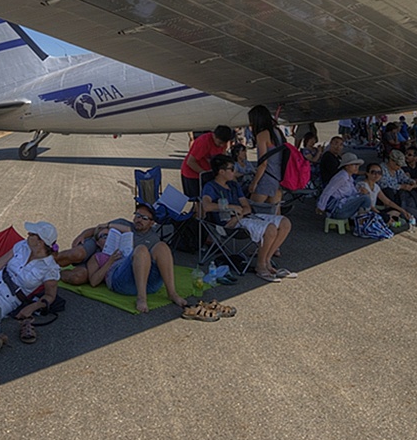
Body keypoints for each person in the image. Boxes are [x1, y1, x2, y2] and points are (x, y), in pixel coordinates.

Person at [201, 154, 291, 282]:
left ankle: (267, 260)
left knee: (285, 222)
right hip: (227, 224)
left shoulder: (234, 185)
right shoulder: (210, 187)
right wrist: (231, 207)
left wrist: (239, 215)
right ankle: (261, 266)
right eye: (231, 169)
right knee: (270, 229)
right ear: (221, 172)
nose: (234, 171)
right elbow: (206, 206)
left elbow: (247, 207)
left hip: (243, 217)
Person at [100, 202, 194, 308]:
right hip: (121, 280)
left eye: (144, 218)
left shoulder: (153, 238)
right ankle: (141, 298)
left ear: (151, 223)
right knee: (141, 249)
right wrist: (84, 240)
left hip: (147, 283)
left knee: (162, 246)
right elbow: (97, 230)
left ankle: (172, 293)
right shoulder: (122, 223)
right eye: (137, 215)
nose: (139, 220)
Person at [181, 125, 234, 200]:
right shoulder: (203, 142)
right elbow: (190, 162)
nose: (221, 145)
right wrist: (204, 173)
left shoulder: (223, 143)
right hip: (193, 174)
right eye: (220, 142)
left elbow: (222, 157)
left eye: (224, 143)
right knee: (198, 200)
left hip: (208, 172)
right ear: (214, 136)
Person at [358, 161, 416, 228]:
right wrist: (381, 214)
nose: (377, 175)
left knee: (396, 213)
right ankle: (386, 223)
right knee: (387, 218)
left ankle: (387, 223)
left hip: (373, 211)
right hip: (364, 213)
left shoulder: (376, 186)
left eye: (379, 173)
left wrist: (403, 211)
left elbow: (388, 202)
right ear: (367, 173)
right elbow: (369, 205)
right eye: (373, 172)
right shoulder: (362, 185)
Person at [317, 152, 373, 220]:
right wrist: (321, 207)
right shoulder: (342, 177)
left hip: (343, 206)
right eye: (354, 165)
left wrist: (360, 191)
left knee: (365, 197)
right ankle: (361, 220)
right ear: (347, 166)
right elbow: (328, 190)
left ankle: (361, 219)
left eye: (357, 165)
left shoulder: (349, 178)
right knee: (365, 199)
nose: (357, 167)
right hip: (337, 209)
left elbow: (352, 193)